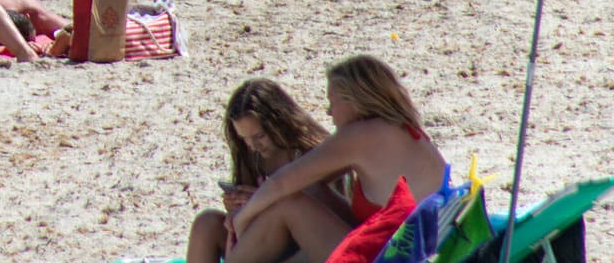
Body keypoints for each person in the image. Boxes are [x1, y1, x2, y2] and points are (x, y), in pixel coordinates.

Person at [226, 56, 448, 263]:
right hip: (411, 249)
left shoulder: (360, 135)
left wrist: (242, 219)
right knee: (308, 190)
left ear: (354, 100)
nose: (329, 112)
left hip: (395, 256)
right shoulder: (400, 129)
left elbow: (281, 183)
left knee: (290, 205)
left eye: (332, 102)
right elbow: (307, 182)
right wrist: (258, 200)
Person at [184, 79, 339, 263]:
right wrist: (237, 204)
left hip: (305, 241)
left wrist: (263, 200)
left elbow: (331, 213)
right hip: (262, 237)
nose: (253, 145)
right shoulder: (252, 156)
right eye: (245, 138)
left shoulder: (314, 153)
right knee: (206, 223)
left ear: (281, 122)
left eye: (260, 136)